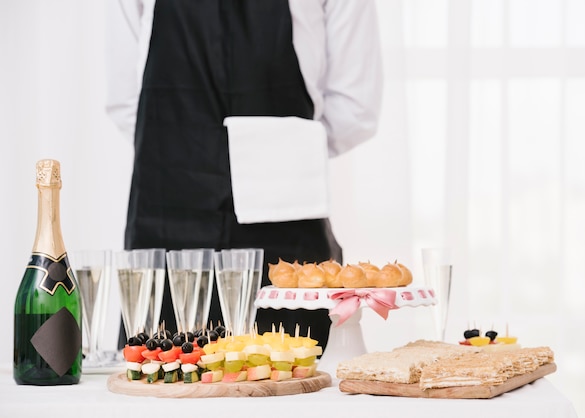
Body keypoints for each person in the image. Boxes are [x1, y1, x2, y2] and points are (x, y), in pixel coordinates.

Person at [105, 0, 383, 350]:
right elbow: (125, 100)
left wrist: (270, 161)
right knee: (162, 384)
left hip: (287, 240)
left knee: (299, 384)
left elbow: (355, 108)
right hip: (167, 226)